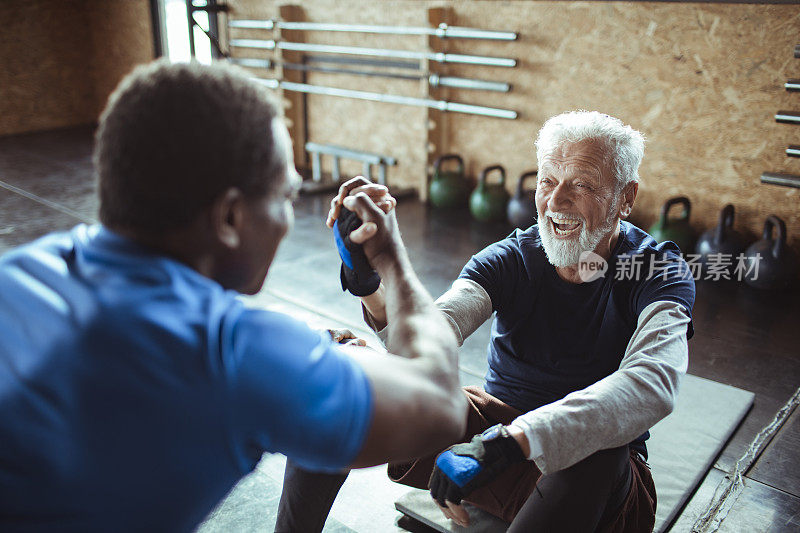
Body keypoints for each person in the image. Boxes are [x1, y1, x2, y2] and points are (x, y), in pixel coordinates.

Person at [0, 60, 468, 532]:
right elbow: (439, 405)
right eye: (285, 196)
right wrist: (391, 257)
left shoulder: (20, 270)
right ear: (229, 218)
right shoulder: (228, 352)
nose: (288, 216)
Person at [277, 111, 695, 532]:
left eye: (582, 184)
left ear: (626, 197)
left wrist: (514, 442)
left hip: (595, 491)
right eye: (548, 181)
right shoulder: (513, 257)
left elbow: (653, 382)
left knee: (599, 452)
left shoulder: (657, 271)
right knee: (343, 373)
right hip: (488, 455)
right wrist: (370, 280)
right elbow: (430, 338)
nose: (556, 200)